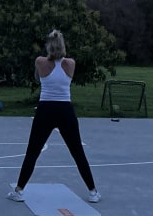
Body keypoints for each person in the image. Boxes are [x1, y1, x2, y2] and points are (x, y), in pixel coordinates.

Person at [7, 30, 100, 203]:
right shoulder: (71, 63)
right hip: (65, 110)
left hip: (46, 109)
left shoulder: (40, 61)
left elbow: (37, 76)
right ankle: (93, 191)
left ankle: (19, 190)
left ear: (48, 46)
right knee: (77, 152)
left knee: (33, 151)